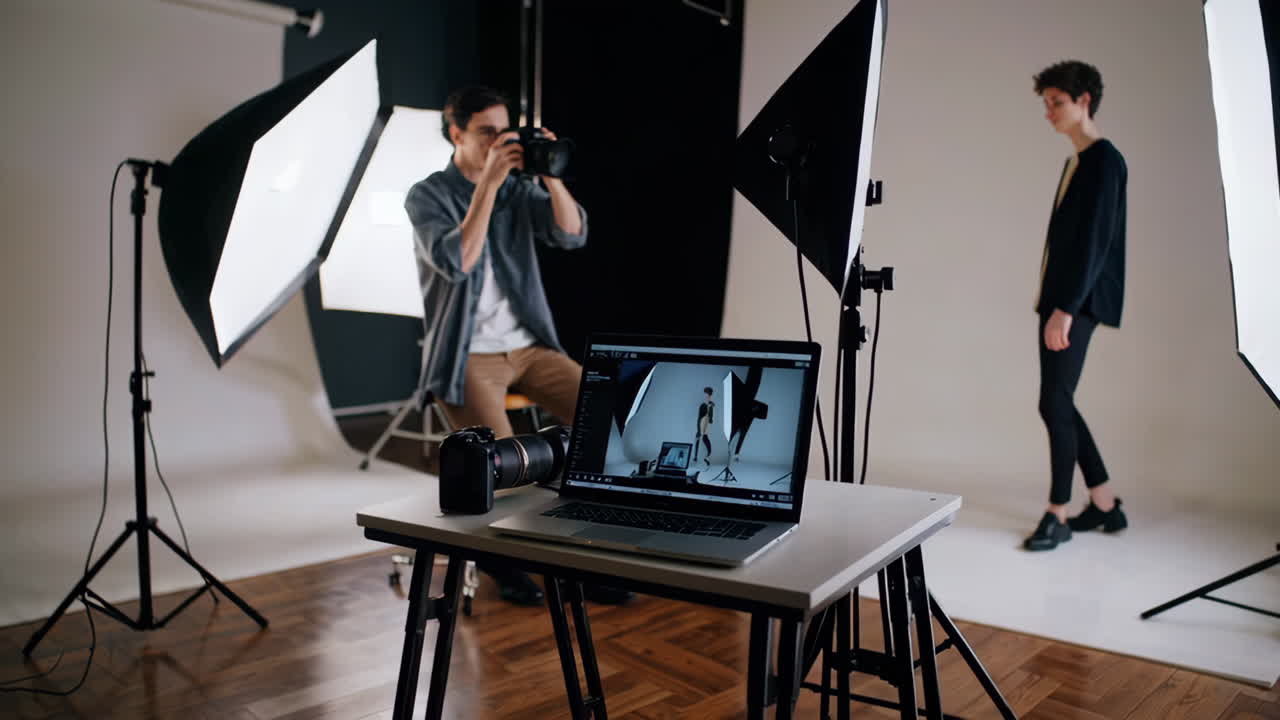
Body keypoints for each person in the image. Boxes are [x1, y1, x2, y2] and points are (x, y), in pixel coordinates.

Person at [406, 85, 628, 604]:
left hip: (528, 347)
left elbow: (573, 234)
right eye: (486, 132)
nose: (497, 142)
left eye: (504, 132)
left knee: (609, 420)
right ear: (455, 132)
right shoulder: (427, 194)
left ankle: (581, 553)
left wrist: (549, 172)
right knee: (500, 464)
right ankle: (500, 561)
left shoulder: (518, 190)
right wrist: (487, 183)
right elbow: (458, 261)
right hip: (468, 355)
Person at [1024, 60, 1130, 551]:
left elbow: (1097, 242)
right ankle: (1105, 503)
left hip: (1076, 302)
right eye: (1045, 103)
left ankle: (1058, 513)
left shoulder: (1104, 160)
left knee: (1053, 400)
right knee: (1059, 400)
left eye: (1056, 102)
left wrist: (1066, 307)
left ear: (1084, 101)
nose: (1048, 112)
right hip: (1063, 300)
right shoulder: (1078, 161)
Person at [693, 387, 715, 467]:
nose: (707, 396)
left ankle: (707, 456)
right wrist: (699, 429)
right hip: (702, 421)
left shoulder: (710, 404)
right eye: (706, 394)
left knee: (705, 438)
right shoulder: (703, 405)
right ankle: (696, 457)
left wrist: (711, 418)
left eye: (708, 394)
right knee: (699, 437)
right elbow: (699, 417)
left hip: (706, 422)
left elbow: (711, 417)